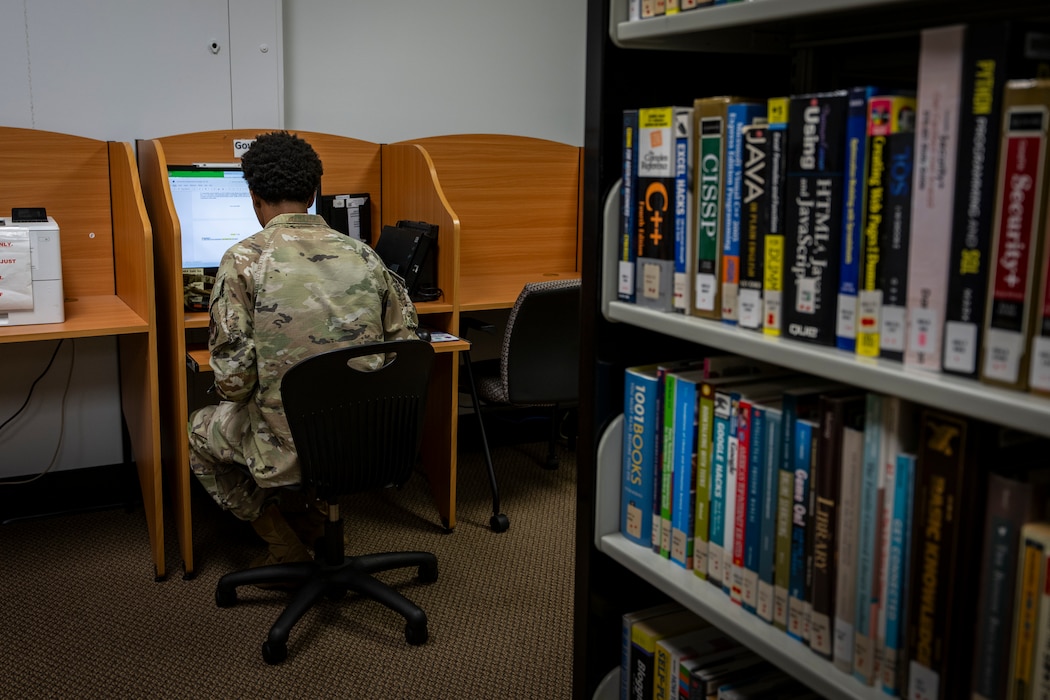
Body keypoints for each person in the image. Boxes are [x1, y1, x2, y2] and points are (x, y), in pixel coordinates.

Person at [188, 130, 419, 566]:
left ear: (254, 197)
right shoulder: (366, 256)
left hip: (288, 450)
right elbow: (403, 348)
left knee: (197, 433)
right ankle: (312, 520)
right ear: (314, 192)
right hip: (367, 440)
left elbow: (235, 384)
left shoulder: (242, 261)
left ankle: (282, 543)